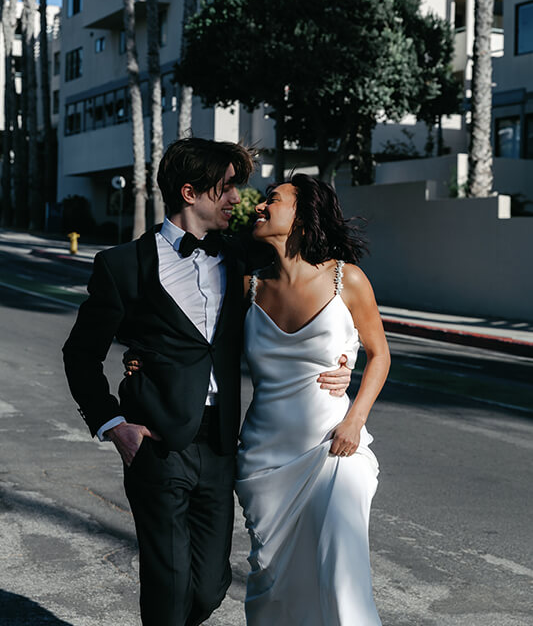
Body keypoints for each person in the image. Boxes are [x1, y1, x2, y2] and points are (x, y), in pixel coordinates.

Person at [62, 137, 352, 626]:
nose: (237, 200)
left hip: (220, 445)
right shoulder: (122, 266)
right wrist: (113, 424)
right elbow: (81, 354)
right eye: (226, 189)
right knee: (170, 585)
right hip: (157, 443)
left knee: (211, 588)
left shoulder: (242, 262)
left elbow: (304, 292)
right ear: (190, 192)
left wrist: (339, 357)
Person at [235, 173, 391, 625]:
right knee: (273, 590)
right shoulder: (249, 286)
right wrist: (140, 362)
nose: (260, 207)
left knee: (343, 581)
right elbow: (197, 347)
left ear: (302, 216)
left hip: (334, 448)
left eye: (273, 200)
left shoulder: (348, 280)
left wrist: (355, 420)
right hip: (264, 459)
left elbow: (379, 355)